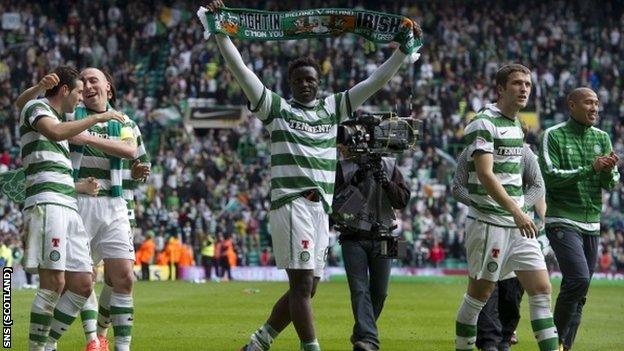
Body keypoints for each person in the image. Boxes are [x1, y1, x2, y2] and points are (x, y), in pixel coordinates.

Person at [204, 1, 421, 350]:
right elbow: (241, 70)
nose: (306, 84)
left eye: (311, 80)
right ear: (290, 83)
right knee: (303, 286)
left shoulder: (333, 109)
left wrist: (400, 51)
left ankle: (258, 343)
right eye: (299, 80)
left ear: (319, 83)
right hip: (292, 205)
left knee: (308, 288)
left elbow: (375, 81)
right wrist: (220, 33)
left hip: (320, 209)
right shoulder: (277, 108)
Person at [17, 68, 144, 351]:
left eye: (92, 81)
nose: (83, 91)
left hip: (92, 201)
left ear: (108, 87)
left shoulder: (122, 121)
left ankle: (85, 341)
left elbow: (130, 151)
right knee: (54, 284)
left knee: (87, 282)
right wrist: (38, 86)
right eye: (79, 87)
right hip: (55, 202)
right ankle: (52, 345)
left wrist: (85, 183)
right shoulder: (61, 115)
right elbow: (27, 109)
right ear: (66, 91)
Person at [453, 64, 558, 351]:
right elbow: (486, 175)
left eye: (527, 84)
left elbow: (528, 181)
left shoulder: (516, 125)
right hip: (488, 223)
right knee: (480, 294)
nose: (524, 88)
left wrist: (522, 211)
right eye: (517, 83)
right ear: (500, 89)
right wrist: (517, 210)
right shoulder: (483, 122)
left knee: (541, 289)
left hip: (517, 225)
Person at [538, 87, 620, 351]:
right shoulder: (553, 135)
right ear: (571, 105)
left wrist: (607, 172)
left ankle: (564, 347)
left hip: (592, 223)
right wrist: (591, 168)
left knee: (580, 294)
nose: (594, 107)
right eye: (588, 102)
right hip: (562, 219)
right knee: (579, 280)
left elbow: (611, 182)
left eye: (597, 103)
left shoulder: (603, 137)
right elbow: (550, 177)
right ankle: (552, 343)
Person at [453, 138, 547, 351]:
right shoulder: (471, 151)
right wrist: (484, 203)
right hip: (485, 224)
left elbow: (538, 186)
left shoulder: (524, 151)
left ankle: (505, 337)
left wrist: (516, 207)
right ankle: (489, 342)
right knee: (485, 291)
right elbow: (458, 188)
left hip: (520, 227)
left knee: (513, 293)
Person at [333, 148, 410, 351]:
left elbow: (402, 201)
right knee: (359, 290)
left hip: (386, 233)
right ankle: (369, 341)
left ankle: (362, 333)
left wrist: (386, 183)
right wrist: (354, 184)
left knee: (381, 293)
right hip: (352, 236)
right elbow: (336, 210)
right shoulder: (343, 167)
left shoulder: (390, 165)